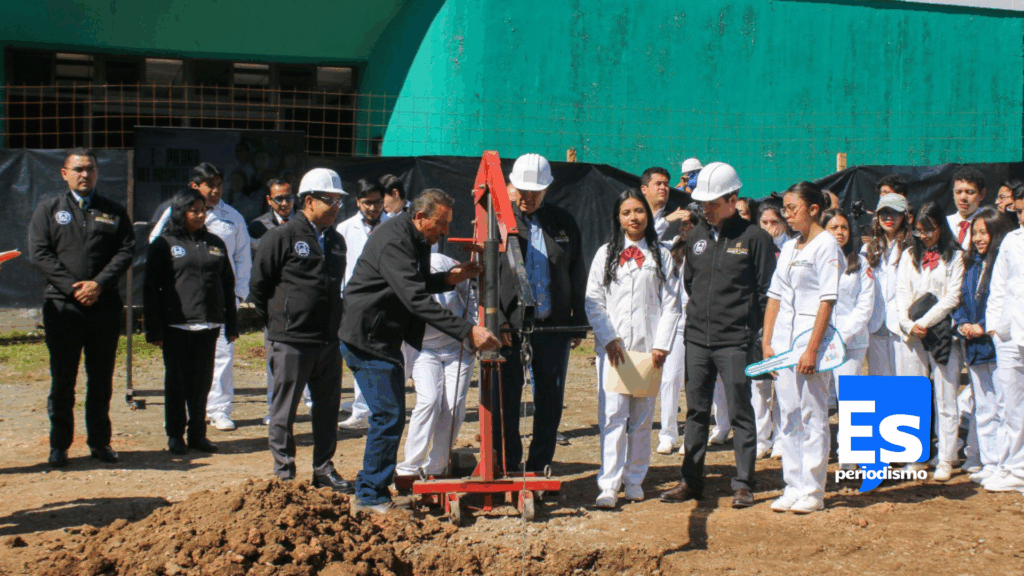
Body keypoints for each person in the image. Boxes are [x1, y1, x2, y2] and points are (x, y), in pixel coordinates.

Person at [340, 188, 500, 514]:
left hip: (384, 337)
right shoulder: (395, 241)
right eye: (440, 224)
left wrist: (449, 279)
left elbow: (418, 281)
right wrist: (467, 330)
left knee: (391, 415)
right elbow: (414, 298)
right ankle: (371, 495)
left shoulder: (416, 239)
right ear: (420, 217)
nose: (444, 232)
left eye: (448, 224)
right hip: (368, 338)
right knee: (389, 416)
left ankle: (374, 487)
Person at [660, 162, 776, 508]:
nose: (706, 209)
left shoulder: (756, 238)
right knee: (696, 412)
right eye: (703, 203)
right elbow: (692, 284)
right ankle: (691, 481)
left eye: (712, 203)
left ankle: (742, 482)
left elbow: (765, 290)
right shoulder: (695, 236)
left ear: (732, 198)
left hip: (735, 342)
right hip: (696, 339)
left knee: (741, 412)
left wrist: (746, 329)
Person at [28, 148, 134, 467]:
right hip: (63, 309)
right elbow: (40, 253)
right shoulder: (48, 209)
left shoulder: (113, 211)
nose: (84, 174)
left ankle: (100, 442)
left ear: (97, 173)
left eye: (89, 169)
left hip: (103, 307)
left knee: (100, 379)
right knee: (63, 380)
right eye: (77, 169)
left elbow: (126, 251)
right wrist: (74, 288)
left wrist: (98, 284)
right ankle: (59, 445)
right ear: (64, 174)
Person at [249, 168, 351, 489]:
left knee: (327, 410)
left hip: (327, 341)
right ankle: (284, 476)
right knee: (284, 411)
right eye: (329, 200)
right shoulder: (281, 237)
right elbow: (258, 287)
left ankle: (323, 469)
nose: (336, 207)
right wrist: (280, 325)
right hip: (291, 340)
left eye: (339, 202)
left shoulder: (336, 241)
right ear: (308, 201)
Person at [494, 153, 588, 476]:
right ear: (510, 187)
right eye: (522, 190)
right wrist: (497, 319)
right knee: (506, 401)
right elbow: (486, 276)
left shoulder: (563, 223)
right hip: (509, 329)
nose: (527, 198)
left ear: (547, 190)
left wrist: (577, 323)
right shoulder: (499, 223)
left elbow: (577, 272)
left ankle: (538, 468)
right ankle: (507, 464)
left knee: (549, 401)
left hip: (553, 328)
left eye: (535, 192)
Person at [586, 189, 679, 508]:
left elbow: (672, 303)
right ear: (618, 218)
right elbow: (593, 300)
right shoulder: (605, 253)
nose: (634, 218)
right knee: (613, 415)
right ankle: (609, 484)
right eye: (626, 212)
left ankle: (635, 479)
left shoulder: (661, 254)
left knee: (641, 418)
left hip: (647, 349)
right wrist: (608, 337)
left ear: (647, 215)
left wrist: (662, 345)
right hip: (614, 351)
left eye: (639, 211)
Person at [151, 163, 251, 432]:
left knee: (220, 359)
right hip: (181, 309)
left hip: (217, 305)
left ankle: (217, 410)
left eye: (219, 185)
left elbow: (242, 259)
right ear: (195, 186)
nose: (216, 190)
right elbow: (155, 247)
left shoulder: (233, 218)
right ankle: (178, 424)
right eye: (210, 185)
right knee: (181, 371)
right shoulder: (173, 216)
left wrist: (238, 296)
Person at [762, 182, 843, 513]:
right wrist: (767, 341)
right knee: (789, 413)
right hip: (783, 343)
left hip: (811, 341)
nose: (786, 214)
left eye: (792, 207)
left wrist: (812, 349)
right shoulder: (791, 246)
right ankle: (793, 484)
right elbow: (774, 296)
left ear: (813, 209)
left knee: (812, 414)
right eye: (784, 208)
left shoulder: (826, 245)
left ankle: (813, 489)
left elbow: (828, 299)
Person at [144, 189, 238, 455]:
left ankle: (198, 434)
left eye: (203, 210)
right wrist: (154, 328)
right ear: (180, 212)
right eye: (193, 210)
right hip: (176, 326)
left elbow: (227, 284)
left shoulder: (215, 243)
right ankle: (175, 435)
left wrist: (231, 324)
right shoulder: (163, 243)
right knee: (177, 383)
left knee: (202, 383)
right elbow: (151, 288)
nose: (199, 215)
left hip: (208, 326)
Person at [895, 202, 964, 482]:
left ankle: (946, 457)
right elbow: (901, 293)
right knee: (914, 396)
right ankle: (915, 456)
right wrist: (909, 323)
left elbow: (952, 297)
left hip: (941, 332)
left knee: (946, 396)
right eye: (919, 231)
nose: (924, 236)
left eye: (929, 230)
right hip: (912, 334)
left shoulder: (955, 257)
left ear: (940, 228)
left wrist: (926, 322)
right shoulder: (909, 255)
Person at [395, 252, 477, 478]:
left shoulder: (445, 262)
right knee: (429, 400)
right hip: (424, 348)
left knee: (454, 405)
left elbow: (468, 293)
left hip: (456, 347)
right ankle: (410, 465)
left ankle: (438, 465)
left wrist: (473, 328)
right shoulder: (408, 274)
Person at [953, 208, 1010, 482]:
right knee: (984, 408)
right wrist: (962, 323)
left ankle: (1005, 464)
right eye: (974, 232)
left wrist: (984, 325)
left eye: (984, 232)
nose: (978, 238)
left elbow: (1006, 302)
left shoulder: (1004, 262)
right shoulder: (970, 263)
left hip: (998, 345)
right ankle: (988, 463)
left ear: (996, 232)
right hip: (973, 347)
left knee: (1003, 406)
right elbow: (960, 299)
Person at [248, 178, 302, 426]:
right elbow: (258, 270)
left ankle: (308, 402)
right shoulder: (258, 227)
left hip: (302, 302)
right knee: (276, 358)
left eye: (288, 197)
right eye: (278, 199)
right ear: (269, 200)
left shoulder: (304, 223)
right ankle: (275, 407)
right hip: (275, 303)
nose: (284, 203)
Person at [336, 178, 386, 431]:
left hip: (385, 300)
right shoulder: (345, 228)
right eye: (367, 203)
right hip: (354, 301)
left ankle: (376, 405)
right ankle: (360, 409)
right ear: (357, 202)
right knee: (357, 352)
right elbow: (340, 266)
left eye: (377, 202)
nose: (373, 207)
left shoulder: (394, 225)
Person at [983, 186, 1024, 491]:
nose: (1021, 218)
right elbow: (999, 286)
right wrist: (996, 329)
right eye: (1019, 211)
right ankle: (1011, 467)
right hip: (1011, 336)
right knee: (1010, 404)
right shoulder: (1012, 240)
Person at [822, 208, 874, 412]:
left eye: (844, 227)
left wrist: (842, 336)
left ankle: (848, 443)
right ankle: (820, 444)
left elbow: (865, 305)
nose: (840, 232)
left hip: (851, 341)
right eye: (833, 227)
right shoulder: (815, 260)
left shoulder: (860, 262)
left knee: (848, 398)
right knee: (820, 397)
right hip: (819, 339)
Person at [657, 209, 699, 455]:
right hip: (673, 320)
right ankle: (668, 433)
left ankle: (692, 436)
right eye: (682, 224)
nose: (685, 228)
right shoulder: (669, 247)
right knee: (669, 378)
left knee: (696, 382)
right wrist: (666, 220)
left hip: (700, 321)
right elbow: (649, 237)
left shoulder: (709, 247)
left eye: (690, 224)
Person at [863, 194, 912, 378]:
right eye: (884, 213)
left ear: (904, 216)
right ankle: (884, 409)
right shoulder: (867, 249)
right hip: (875, 323)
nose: (889, 218)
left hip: (902, 325)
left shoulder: (912, 246)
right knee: (879, 380)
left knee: (905, 380)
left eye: (895, 213)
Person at [948, 167, 987, 250]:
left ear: (982, 194)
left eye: (970, 192)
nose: (963, 197)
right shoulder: (945, 223)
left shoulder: (989, 223)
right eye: (958, 192)